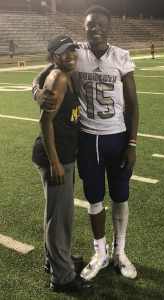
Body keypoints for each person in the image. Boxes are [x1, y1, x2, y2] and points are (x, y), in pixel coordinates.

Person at [32, 5, 139, 281]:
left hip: (116, 136)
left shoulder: (121, 57)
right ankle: (100, 251)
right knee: (94, 198)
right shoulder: (75, 52)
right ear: (84, 28)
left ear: (110, 27)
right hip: (88, 137)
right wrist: (36, 92)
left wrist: (132, 142)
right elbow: (42, 74)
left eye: (102, 24)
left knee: (120, 195)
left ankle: (120, 251)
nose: (96, 29)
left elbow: (133, 104)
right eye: (91, 25)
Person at [32, 35, 93, 293]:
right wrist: (55, 162)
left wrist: (35, 88)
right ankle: (63, 278)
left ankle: (56, 261)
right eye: (63, 52)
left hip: (63, 152)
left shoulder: (64, 72)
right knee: (61, 219)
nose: (71, 54)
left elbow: (36, 78)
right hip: (55, 156)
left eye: (72, 50)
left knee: (55, 215)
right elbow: (44, 122)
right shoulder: (58, 76)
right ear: (54, 56)